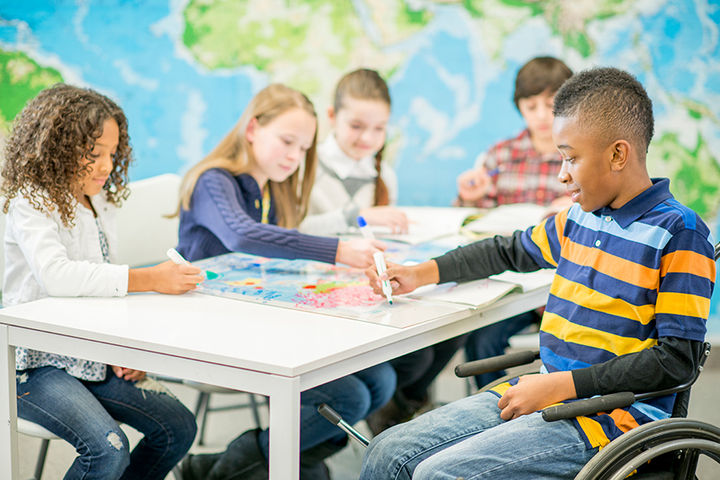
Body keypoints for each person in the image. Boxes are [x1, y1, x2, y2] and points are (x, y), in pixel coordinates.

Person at [359, 67, 715, 479]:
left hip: (613, 422)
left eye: (571, 157)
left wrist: (562, 387)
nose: (562, 173)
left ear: (618, 154)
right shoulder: (579, 219)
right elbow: (508, 250)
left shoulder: (679, 233)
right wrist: (423, 272)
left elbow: (676, 362)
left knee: (436, 475)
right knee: (387, 451)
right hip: (549, 390)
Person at [176, 83, 396, 480]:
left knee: (380, 380)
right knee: (349, 395)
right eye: (286, 141)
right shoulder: (214, 180)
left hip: (261, 319)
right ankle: (237, 469)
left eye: (303, 148)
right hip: (210, 326)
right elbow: (242, 236)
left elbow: (272, 261)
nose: (294, 157)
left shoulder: (273, 190)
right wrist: (336, 250)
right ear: (252, 129)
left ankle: (227, 468)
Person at [1, 84, 200, 479]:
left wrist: (125, 349)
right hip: (30, 365)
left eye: (112, 153)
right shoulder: (30, 201)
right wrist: (151, 279)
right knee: (108, 448)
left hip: (87, 354)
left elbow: (101, 288)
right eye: (94, 154)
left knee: (177, 427)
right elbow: (58, 276)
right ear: (56, 148)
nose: (107, 165)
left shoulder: (99, 201)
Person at [457, 56, 574, 389]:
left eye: (550, 105)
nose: (540, 115)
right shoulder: (500, 155)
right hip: (509, 281)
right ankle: (490, 415)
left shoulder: (579, 155)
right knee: (481, 343)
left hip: (560, 285)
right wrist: (470, 196)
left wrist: (575, 208)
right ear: (519, 106)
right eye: (530, 105)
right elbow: (472, 225)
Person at [299, 68, 408, 235]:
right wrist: (355, 216)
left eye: (379, 128)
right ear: (332, 116)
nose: (367, 138)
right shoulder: (304, 165)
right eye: (356, 126)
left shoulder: (386, 176)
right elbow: (290, 228)